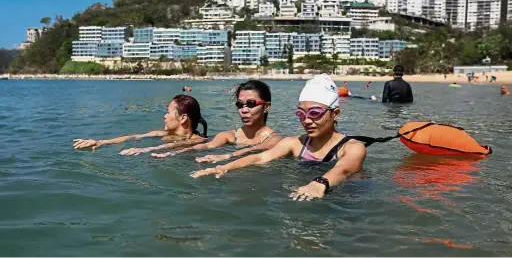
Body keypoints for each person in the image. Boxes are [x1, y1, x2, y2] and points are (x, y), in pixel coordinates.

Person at [190, 74, 367, 201]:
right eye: (301, 114)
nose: (307, 120)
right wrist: (225, 167)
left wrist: (320, 182)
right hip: (303, 192)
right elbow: (261, 157)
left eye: (315, 113)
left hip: (346, 200)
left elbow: (343, 169)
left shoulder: (352, 147)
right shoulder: (295, 143)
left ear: (335, 114)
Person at [130, 80, 281, 160]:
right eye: (239, 104)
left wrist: (226, 156)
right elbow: (203, 147)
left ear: (266, 106)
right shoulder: (228, 136)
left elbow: (257, 150)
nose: (244, 109)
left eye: (251, 104)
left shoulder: (275, 139)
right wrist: (172, 153)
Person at [73, 95, 207, 154]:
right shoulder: (160, 134)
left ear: (183, 118)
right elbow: (132, 137)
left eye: (168, 112)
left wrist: (146, 150)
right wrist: (101, 142)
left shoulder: (199, 140)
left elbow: (181, 145)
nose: (165, 116)